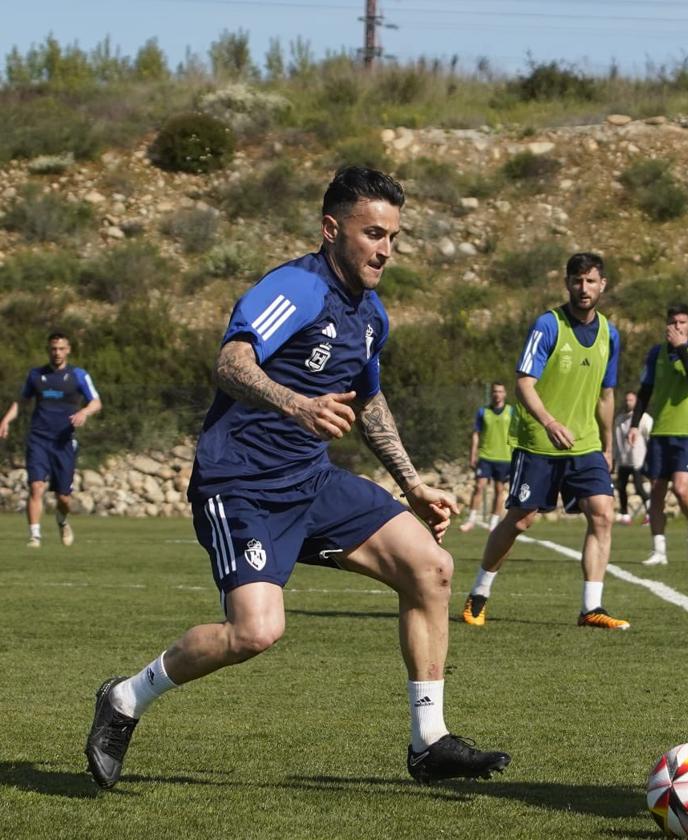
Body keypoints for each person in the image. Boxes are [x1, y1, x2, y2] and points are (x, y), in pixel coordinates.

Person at [84, 166, 509, 790]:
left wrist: (412, 483)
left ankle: (430, 742)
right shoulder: (296, 288)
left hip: (312, 482)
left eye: (393, 236)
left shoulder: (371, 315)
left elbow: (370, 400)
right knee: (256, 631)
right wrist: (295, 404)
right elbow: (231, 362)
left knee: (432, 567)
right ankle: (124, 699)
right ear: (331, 229)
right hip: (242, 484)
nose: (385, 249)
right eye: (372, 233)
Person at [461, 252, 628, 630]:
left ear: (603, 285)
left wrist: (608, 445)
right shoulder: (547, 325)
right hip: (539, 440)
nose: (583, 289)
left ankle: (591, 608)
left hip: (584, 443)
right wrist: (549, 421)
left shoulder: (610, 334)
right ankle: (480, 591)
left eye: (590, 281)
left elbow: (607, 395)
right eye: (576, 281)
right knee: (521, 521)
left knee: (602, 513)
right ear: (566, 284)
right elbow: (523, 382)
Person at [0, 333, 102, 549]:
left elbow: (96, 402)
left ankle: (62, 520)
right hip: (39, 438)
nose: (57, 352)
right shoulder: (36, 375)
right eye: (54, 349)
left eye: (61, 348)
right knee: (36, 486)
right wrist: (6, 420)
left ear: (68, 350)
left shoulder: (78, 375)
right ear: (49, 350)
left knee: (63, 497)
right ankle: (34, 536)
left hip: (63, 442)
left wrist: (84, 412)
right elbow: (22, 401)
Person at [634, 304, 688, 566]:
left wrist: (680, 348)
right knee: (656, 491)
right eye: (673, 322)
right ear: (666, 324)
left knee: (681, 489)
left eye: (682, 322)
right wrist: (634, 425)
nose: (677, 326)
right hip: (660, 431)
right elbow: (645, 390)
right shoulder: (656, 353)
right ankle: (659, 550)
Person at [460, 382, 515, 533]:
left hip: (504, 458)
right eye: (495, 391)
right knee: (479, 487)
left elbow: (516, 434)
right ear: (491, 393)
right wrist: (473, 454)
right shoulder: (483, 412)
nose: (497, 394)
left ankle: (494, 522)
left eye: (500, 391)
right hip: (485, 456)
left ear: (505, 394)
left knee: (499, 490)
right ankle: (471, 520)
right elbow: (476, 434)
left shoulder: (511, 411)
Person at [613, 389, 652, 525]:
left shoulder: (644, 419)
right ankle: (624, 514)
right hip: (623, 460)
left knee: (639, 487)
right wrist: (614, 458)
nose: (628, 402)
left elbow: (650, 437)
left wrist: (649, 457)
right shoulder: (619, 419)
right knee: (621, 487)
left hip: (638, 460)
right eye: (626, 400)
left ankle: (650, 513)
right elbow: (616, 440)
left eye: (631, 400)